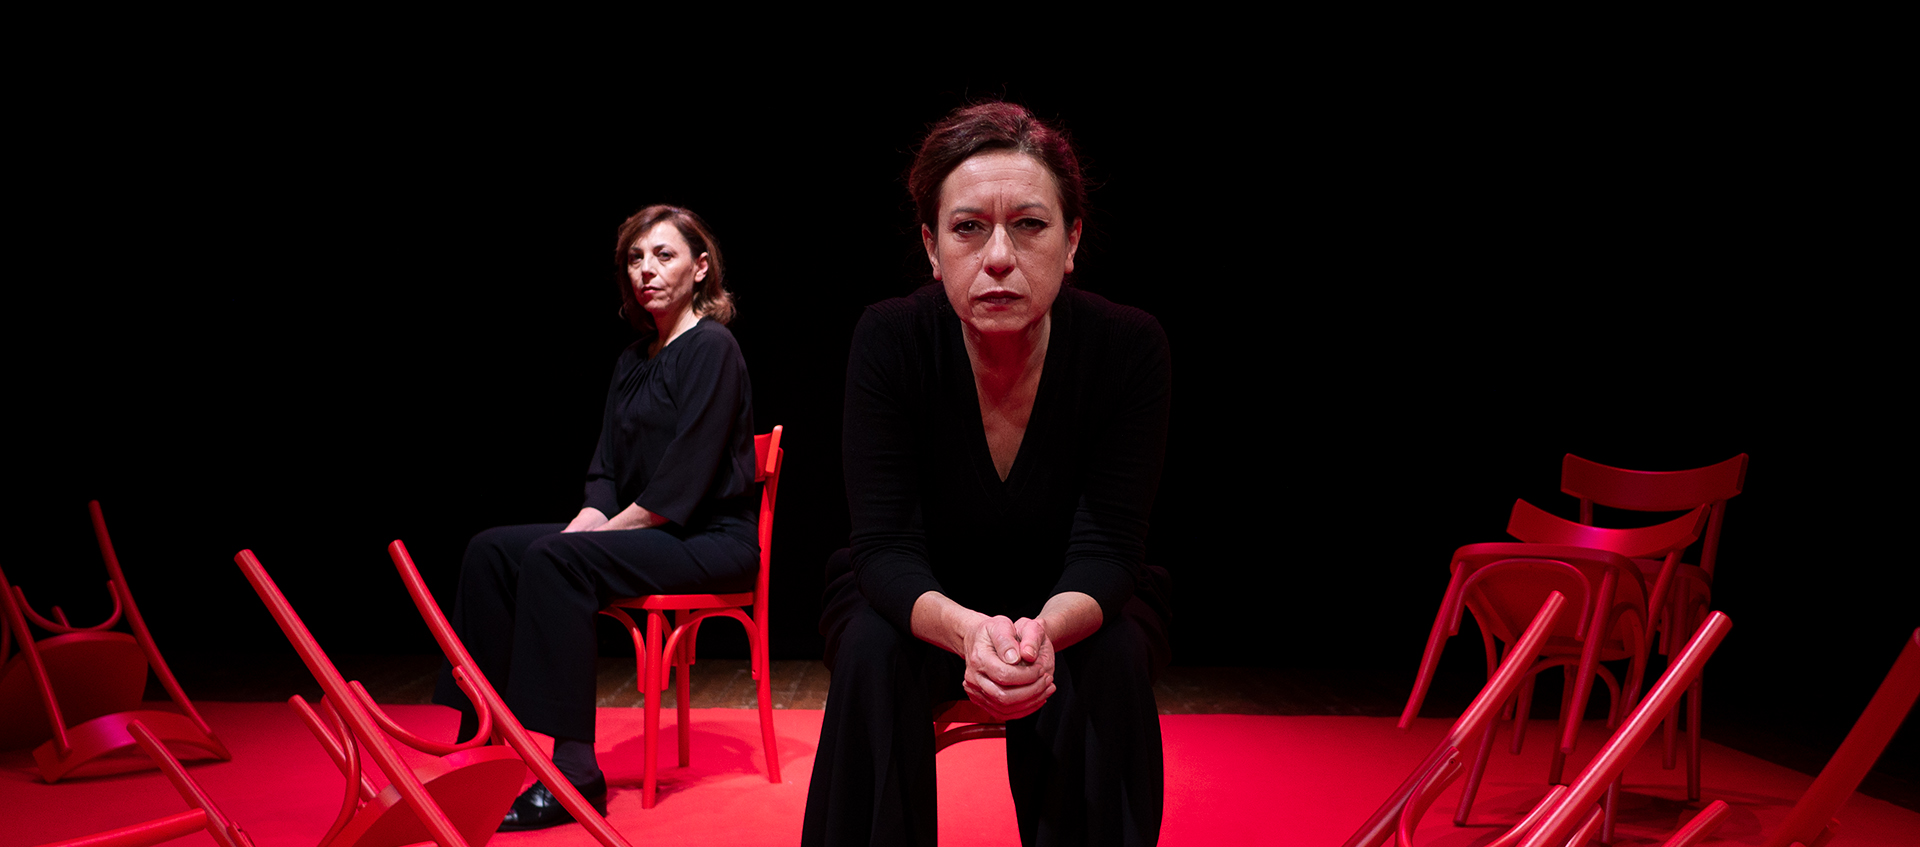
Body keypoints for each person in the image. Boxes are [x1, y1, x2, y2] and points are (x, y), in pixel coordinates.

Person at [802, 102, 1173, 847]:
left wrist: (1039, 634)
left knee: (1113, 652)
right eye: (968, 227)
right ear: (932, 248)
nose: (998, 256)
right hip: (921, 592)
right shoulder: (890, 337)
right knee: (873, 648)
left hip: (1072, 591)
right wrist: (970, 630)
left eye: (1029, 225)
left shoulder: (1128, 347)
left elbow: (1109, 547)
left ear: (1071, 242)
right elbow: (883, 546)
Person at [434, 205, 759, 831]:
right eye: (635, 259)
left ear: (699, 267)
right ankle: (489, 740)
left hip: (710, 538)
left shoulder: (713, 348)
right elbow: (606, 472)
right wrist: (585, 523)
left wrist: (587, 542)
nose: (647, 271)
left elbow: (681, 482)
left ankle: (576, 776)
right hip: (650, 532)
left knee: (556, 560)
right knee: (490, 550)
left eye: (663, 256)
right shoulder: (632, 361)